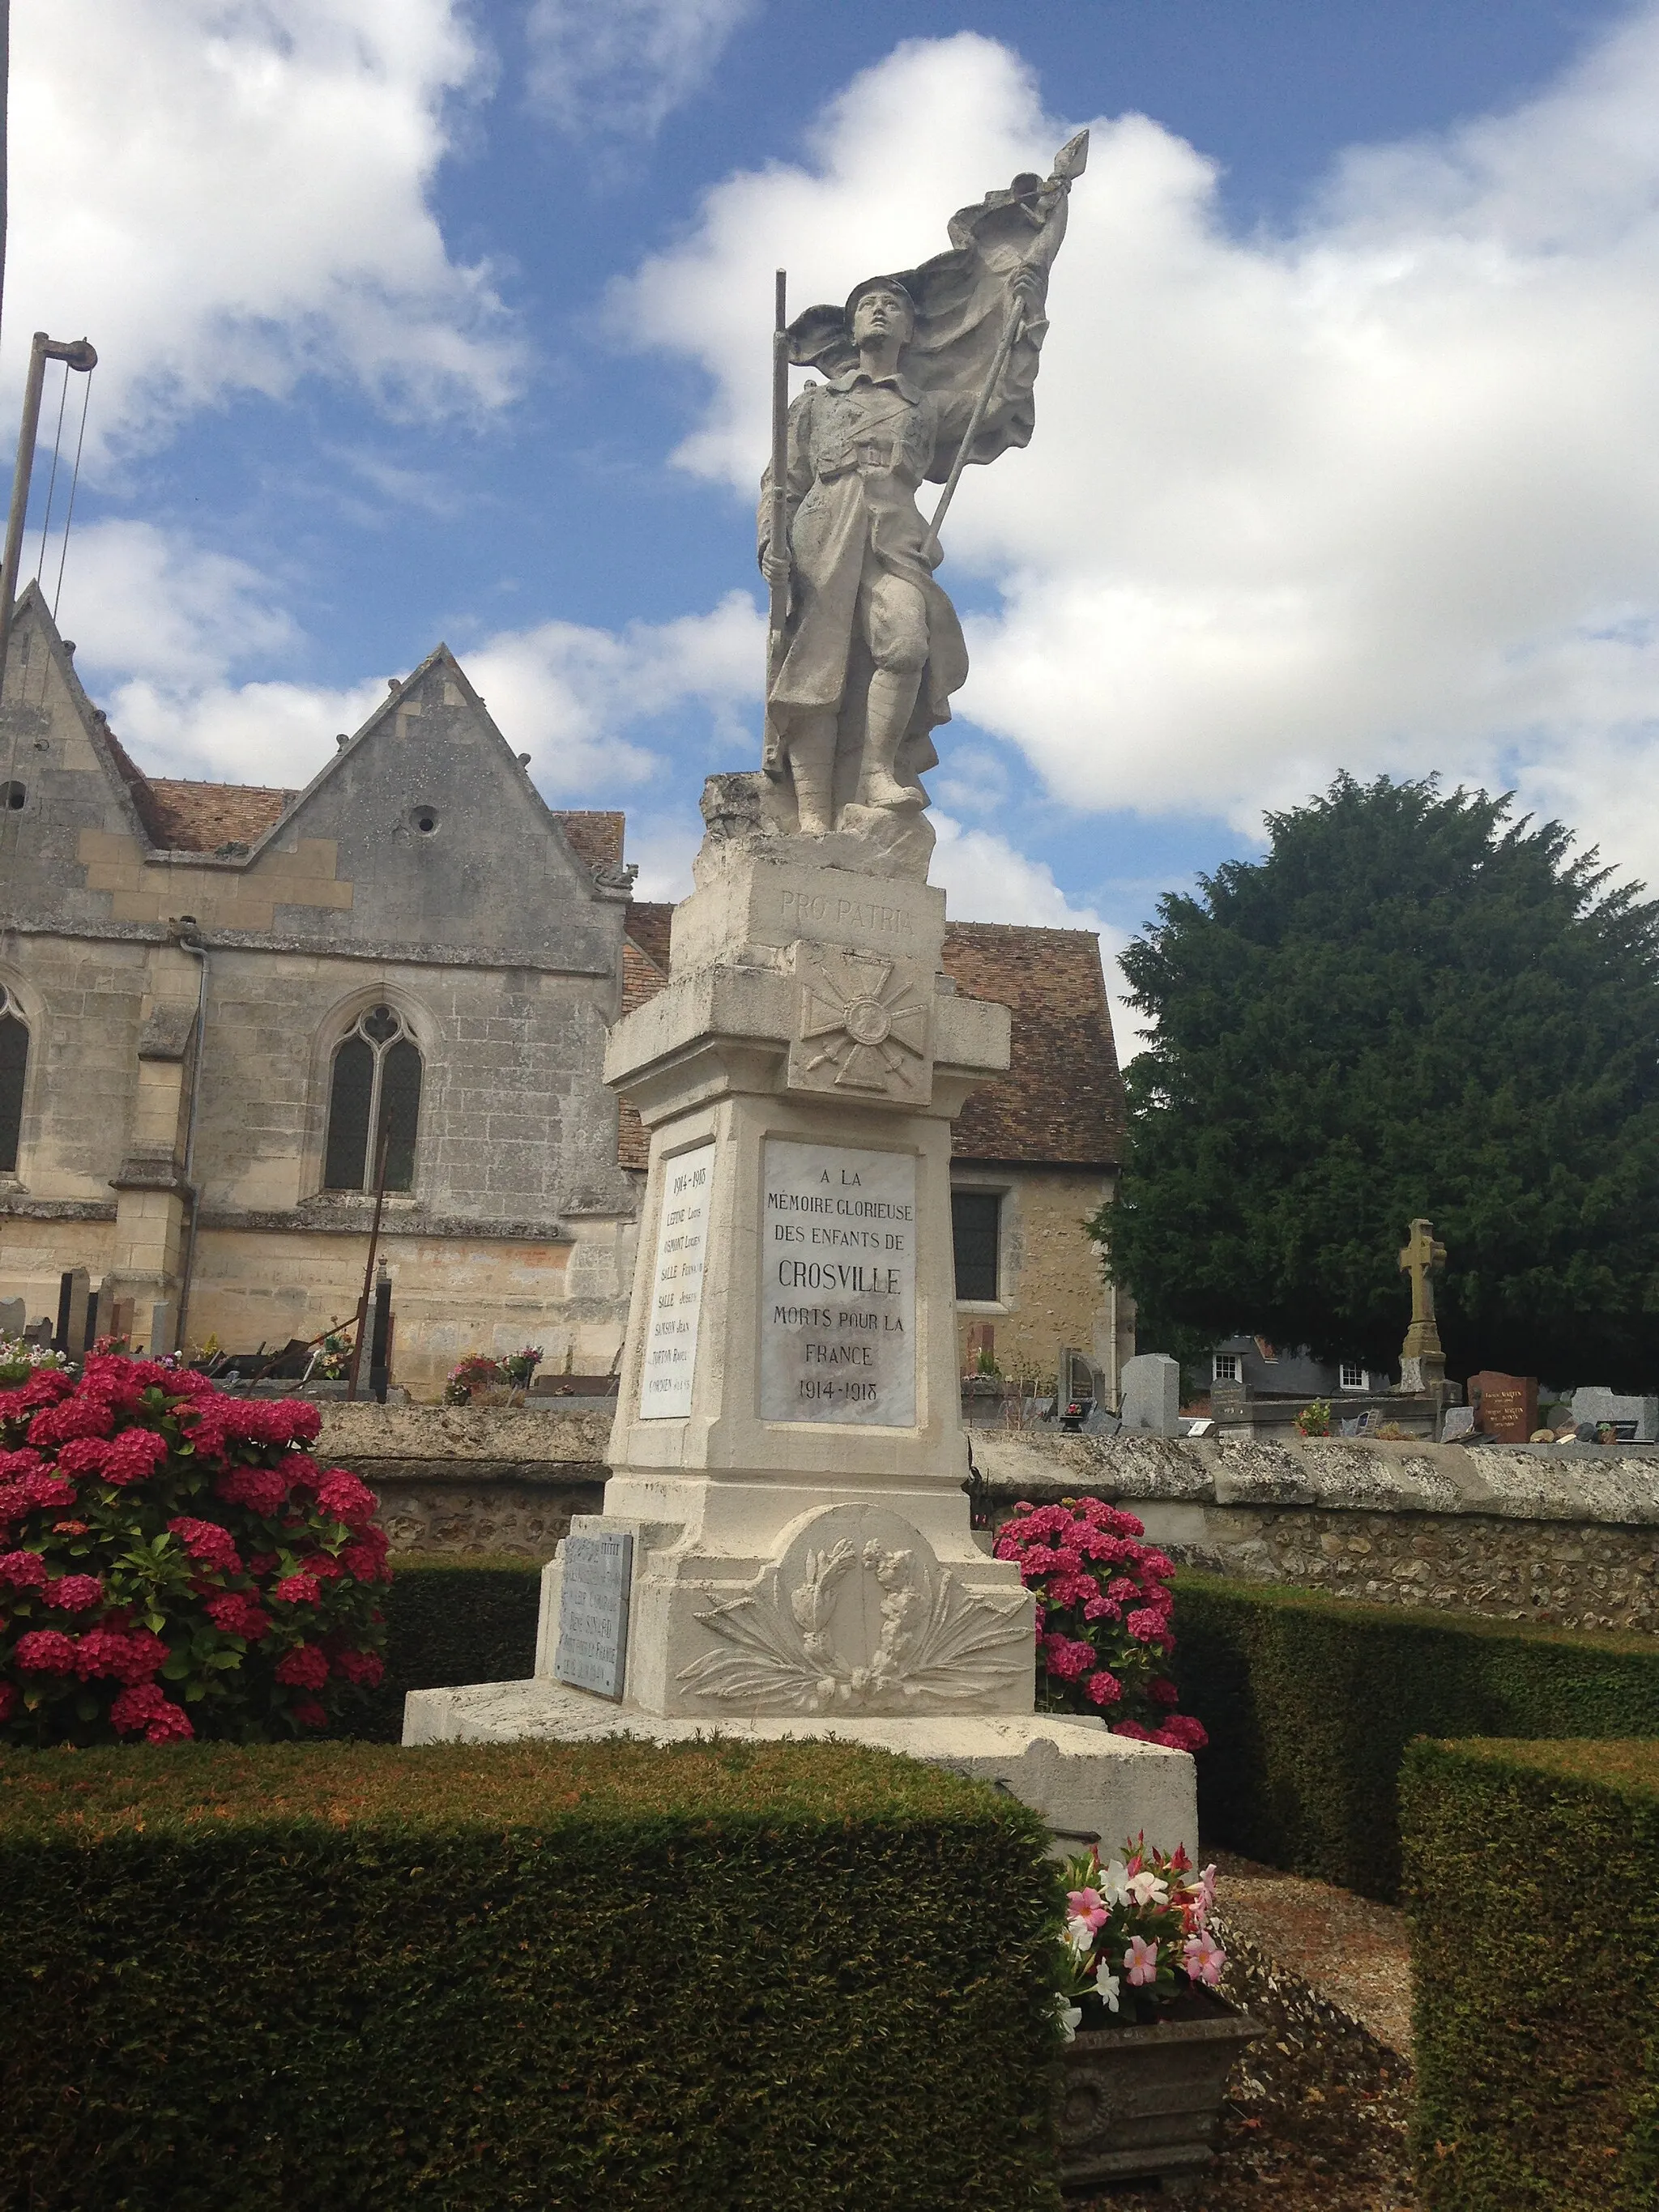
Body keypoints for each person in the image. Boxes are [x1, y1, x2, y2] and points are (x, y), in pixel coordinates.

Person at [758, 134, 1085, 839]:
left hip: (895, 535)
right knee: (817, 672)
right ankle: (812, 815)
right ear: (851, 324)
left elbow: (998, 402)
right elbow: (779, 483)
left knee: (906, 643)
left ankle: (877, 769)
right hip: (823, 526)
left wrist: (1026, 311)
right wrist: (769, 549)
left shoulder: (924, 407)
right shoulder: (814, 404)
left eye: (893, 305)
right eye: (868, 304)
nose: (879, 310)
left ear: (912, 327)